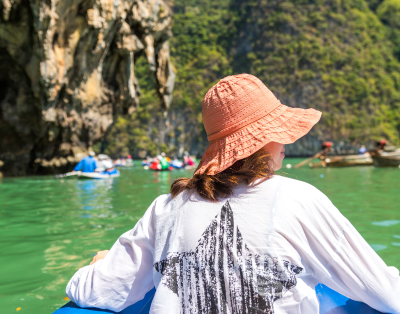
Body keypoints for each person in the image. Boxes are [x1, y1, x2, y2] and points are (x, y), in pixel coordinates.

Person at [66, 74, 400, 314]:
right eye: (278, 133)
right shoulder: (299, 199)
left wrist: (100, 264)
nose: (285, 144)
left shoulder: (166, 206)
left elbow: (95, 291)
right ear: (262, 140)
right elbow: (387, 295)